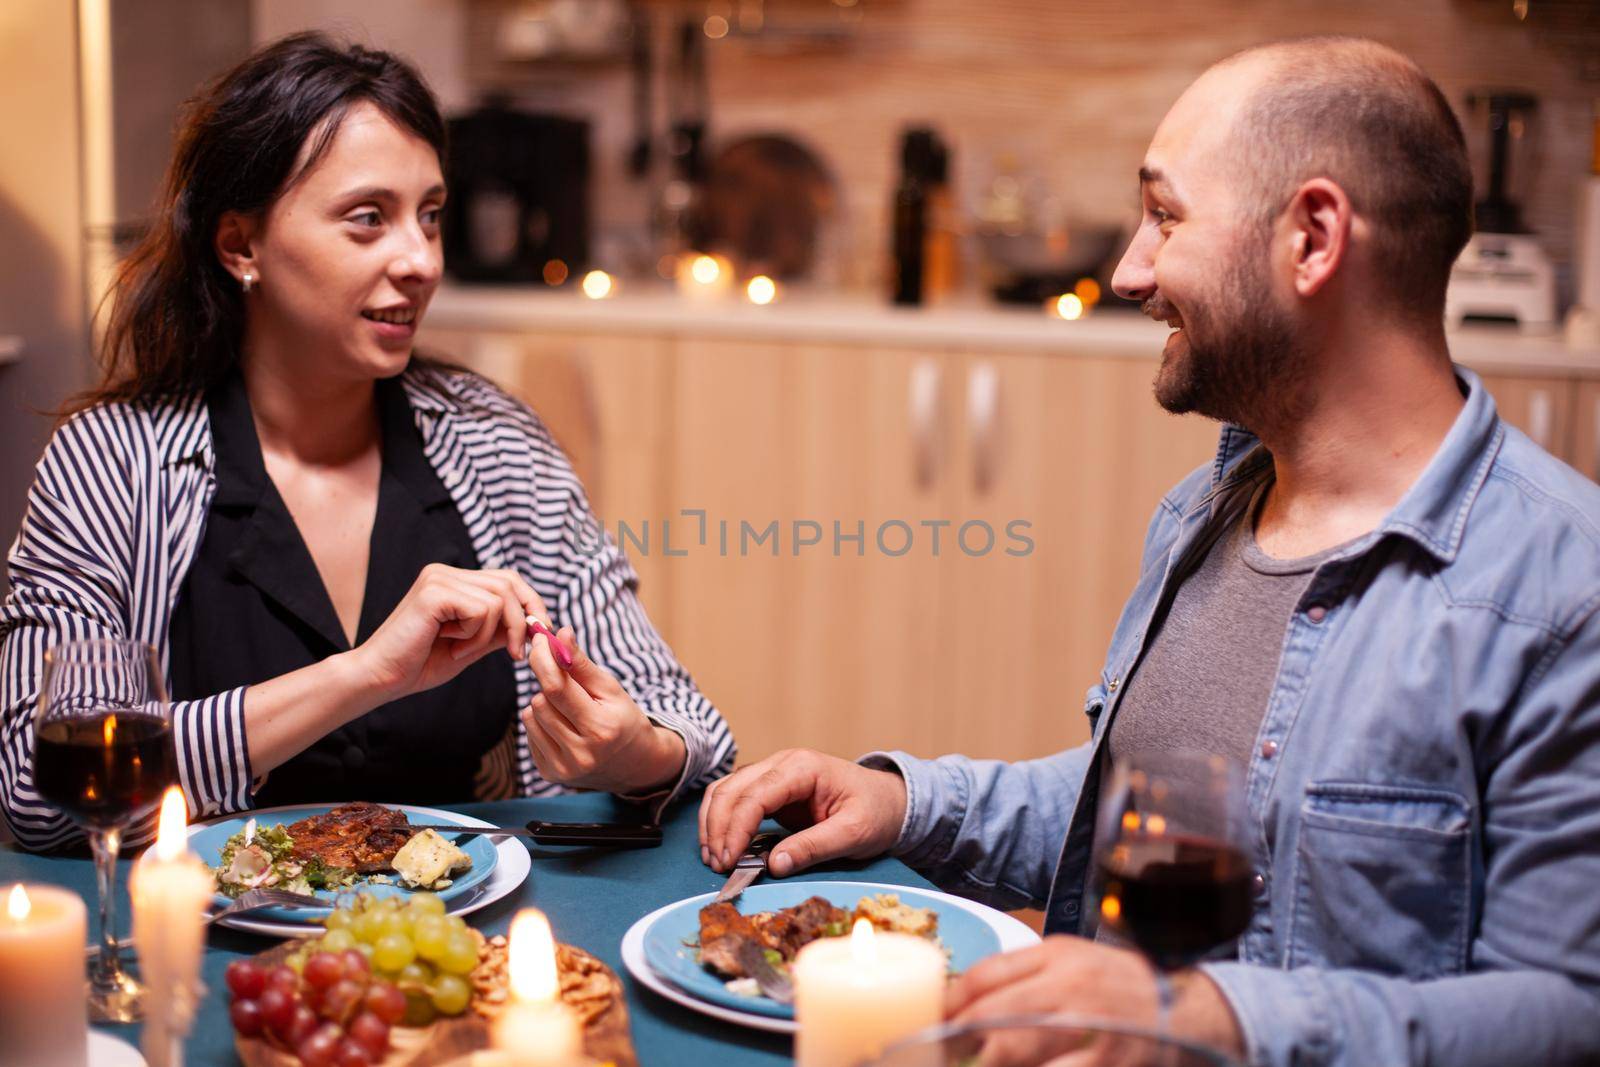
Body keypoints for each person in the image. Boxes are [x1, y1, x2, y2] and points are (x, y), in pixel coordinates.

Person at [700, 37, 1600, 1066]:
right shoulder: (1204, 513)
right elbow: (1143, 805)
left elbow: (1569, 1014)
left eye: (1165, 217)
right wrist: (909, 801)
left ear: (1312, 237)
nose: (1129, 270)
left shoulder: (1564, 595)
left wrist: (1211, 1018)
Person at [0, 33, 735, 851]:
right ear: (241, 246)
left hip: (457, 948)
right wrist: (363, 675)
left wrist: (636, 752)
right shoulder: (112, 464)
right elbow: (39, 791)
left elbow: (690, 728)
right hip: (204, 951)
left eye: (430, 216)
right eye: (367, 219)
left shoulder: (497, 446)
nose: (421, 260)